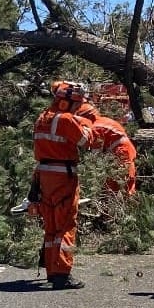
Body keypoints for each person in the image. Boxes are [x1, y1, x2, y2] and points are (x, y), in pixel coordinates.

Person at [31, 81, 94, 289]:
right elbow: (86, 141)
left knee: (51, 226)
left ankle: (52, 270)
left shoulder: (42, 118)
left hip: (44, 175)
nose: (78, 108)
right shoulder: (65, 119)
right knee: (65, 224)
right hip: (63, 176)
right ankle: (62, 274)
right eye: (77, 104)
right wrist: (87, 123)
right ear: (66, 103)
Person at [76, 102, 137, 195]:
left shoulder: (95, 127)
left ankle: (122, 201)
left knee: (120, 182)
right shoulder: (104, 121)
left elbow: (96, 154)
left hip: (121, 151)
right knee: (126, 179)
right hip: (125, 149)